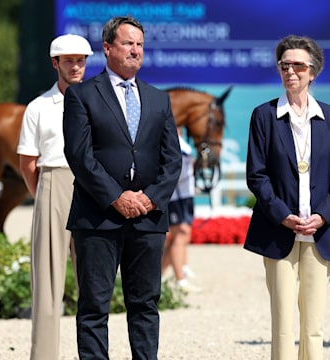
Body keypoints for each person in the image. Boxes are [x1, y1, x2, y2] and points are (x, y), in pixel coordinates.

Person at [62, 16, 181, 360]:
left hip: (148, 218)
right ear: (108, 48)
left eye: (140, 44)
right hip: (98, 218)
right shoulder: (82, 95)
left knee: (145, 304)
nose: (135, 50)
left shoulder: (159, 99)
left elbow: (172, 160)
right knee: (94, 306)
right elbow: (79, 156)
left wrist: (149, 198)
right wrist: (115, 197)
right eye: (128, 43)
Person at [244, 35, 330, 360]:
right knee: (283, 325)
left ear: (312, 71)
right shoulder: (263, 116)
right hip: (278, 231)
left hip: (321, 232)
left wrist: (324, 215)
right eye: (284, 65)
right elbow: (257, 176)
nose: (291, 71)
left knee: (314, 324)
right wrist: (282, 215)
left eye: (298, 65)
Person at [16, 34, 93, 360]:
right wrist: (45, 197)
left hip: (92, 188)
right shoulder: (38, 107)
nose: (75, 66)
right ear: (55, 63)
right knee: (47, 284)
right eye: (69, 61)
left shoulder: (98, 102)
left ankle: (92, 354)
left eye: (80, 60)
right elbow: (27, 163)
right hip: (52, 181)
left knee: (93, 282)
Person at [161, 127, 200, 292]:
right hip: (177, 196)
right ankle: (179, 279)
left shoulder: (182, 142)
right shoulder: (176, 142)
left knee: (183, 235)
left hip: (184, 195)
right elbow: (177, 171)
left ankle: (161, 275)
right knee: (180, 235)